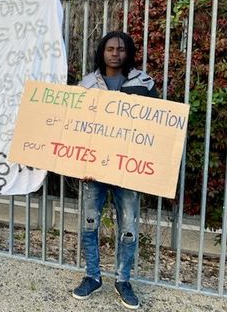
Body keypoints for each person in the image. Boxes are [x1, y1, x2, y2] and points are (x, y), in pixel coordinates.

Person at [72, 31, 157, 310]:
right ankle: (92, 276)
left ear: (128, 52)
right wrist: (80, 163)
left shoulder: (143, 83)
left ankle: (123, 280)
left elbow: (158, 127)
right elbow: (75, 126)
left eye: (120, 49)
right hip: (93, 169)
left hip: (128, 169)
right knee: (89, 224)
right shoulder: (87, 84)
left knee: (129, 228)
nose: (115, 54)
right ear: (102, 51)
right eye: (110, 49)